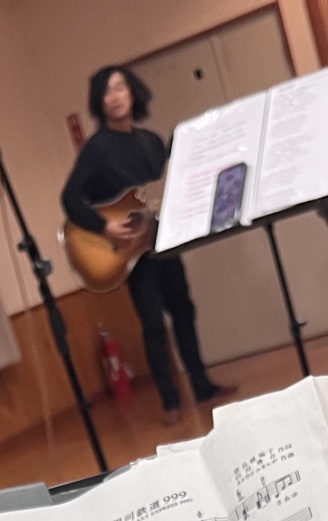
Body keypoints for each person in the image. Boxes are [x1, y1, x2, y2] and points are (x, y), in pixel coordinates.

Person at [63, 65, 235, 426]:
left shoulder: (152, 142)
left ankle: (201, 386)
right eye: (106, 91)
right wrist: (105, 226)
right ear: (98, 101)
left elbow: (163, 193)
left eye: (120, 87)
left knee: (184, 312)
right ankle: (170, 401)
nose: (114, 96)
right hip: (132, 254)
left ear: (133, 93)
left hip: (162, 243)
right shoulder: (96, 149)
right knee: (153, 324)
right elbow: (70, 199)